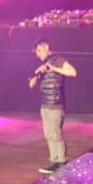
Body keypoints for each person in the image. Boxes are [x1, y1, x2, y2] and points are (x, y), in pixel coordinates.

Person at [28, 40, 78, 174]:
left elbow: (73, 72)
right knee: (49, 134)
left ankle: (61, 161)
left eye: (39, 51)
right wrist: (36, 77)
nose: (37, 54)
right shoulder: (46, 64)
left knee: (55, 134)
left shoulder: (58, 60)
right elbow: (37, 80)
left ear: (46, 48)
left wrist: (54, 68)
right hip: (45, 105)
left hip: (55, 105)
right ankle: (54, 161)